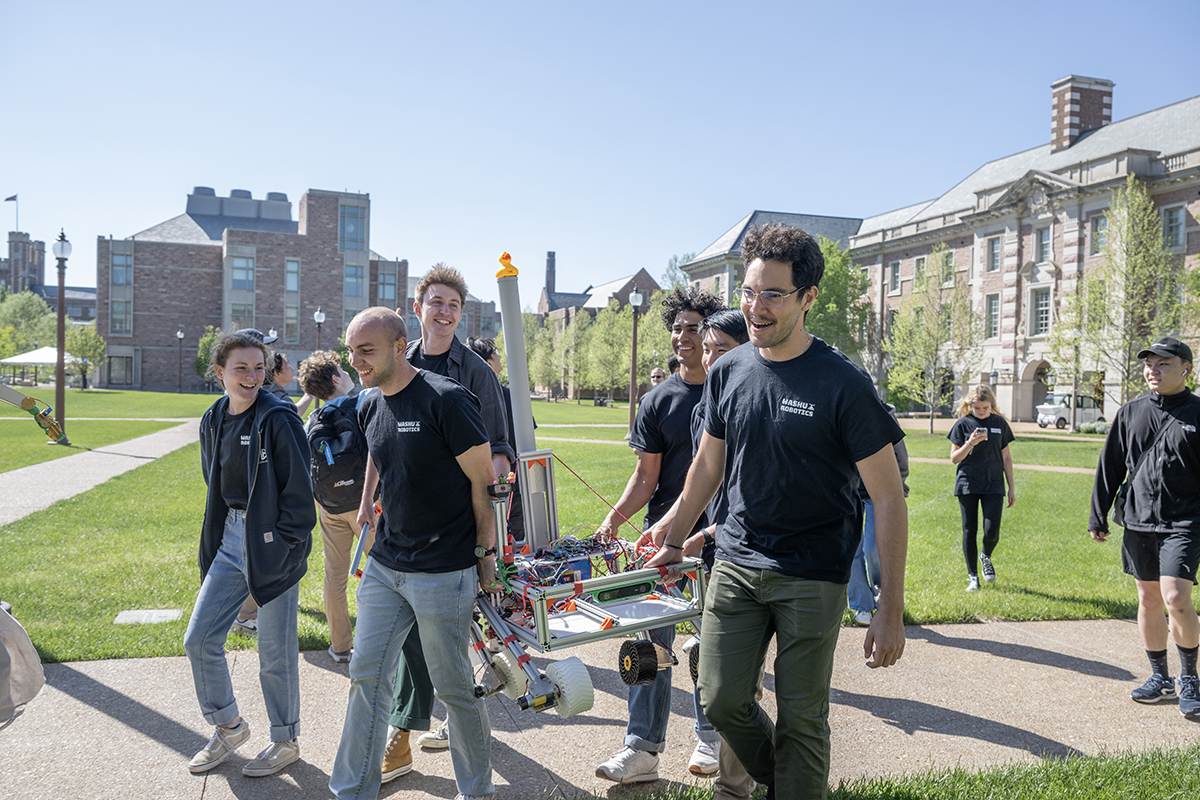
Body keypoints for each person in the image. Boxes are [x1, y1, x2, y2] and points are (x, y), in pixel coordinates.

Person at [648, 222, 908, 800]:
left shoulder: (844, 385)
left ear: (808, 297)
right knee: (720, 698)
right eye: (747, 292)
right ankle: (786, 784)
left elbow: (888, 496)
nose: (755, 307)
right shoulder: (730, 371)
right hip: (737, 560)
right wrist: (673, 535)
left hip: (812, 573)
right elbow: (707, 469)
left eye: (772, 294)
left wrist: (889, 607)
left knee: (802, 717)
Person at [329, 307, 498, 800]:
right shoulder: (367, 403)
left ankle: (477, 792)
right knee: (366, 676)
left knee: (454, 689)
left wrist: (485, 552)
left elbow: (484, 482)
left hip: (443, 571)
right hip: (386, 566)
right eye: (352, 350)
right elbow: (379, 458)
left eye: (367, 350)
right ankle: (351, 790)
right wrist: (365, 502)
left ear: (400, 346)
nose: (356, 360)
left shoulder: (447, 400)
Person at [379, 265, 515, 773]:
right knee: (412, 635)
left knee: (436, 636)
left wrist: (495, 508)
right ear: (417, 309)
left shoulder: (476, 372)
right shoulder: (397, 361)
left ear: (461, 314)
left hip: (457, 524)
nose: (445, 312)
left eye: (454, 305)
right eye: (436, 302)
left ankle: (412, 732)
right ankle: (415, 728)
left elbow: (499, 447)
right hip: (401, 521)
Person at [594, 286, 726, 784]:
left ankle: (710, 738)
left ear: (711, 333)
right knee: (646, 644)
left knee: (707, 646)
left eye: (694, 328)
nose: (683, 337)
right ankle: (641, 747)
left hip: (713, 540)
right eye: (677, 328)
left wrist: (684, 526)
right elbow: (646, 476)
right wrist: (614, 519)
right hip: (660, 546)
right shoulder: (658, 399)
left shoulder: (729, 390)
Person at [184, 330, 315, 777]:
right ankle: (229, 726)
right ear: (219, 371)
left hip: (274, 545)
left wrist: (280, 546)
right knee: (199, 640)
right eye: (241, 368)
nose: (252, 376)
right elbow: (214, 484)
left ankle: (286, 739)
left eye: (259, 367)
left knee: (274, 651)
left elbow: (301, 500)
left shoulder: (279, 419)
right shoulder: (214, 418)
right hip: (230, 541)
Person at [1090, 337, 1200, 717]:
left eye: (1164, 363)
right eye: (1149, 364)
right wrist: (1097, 513)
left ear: (1187, 368)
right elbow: (1111, 465)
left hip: (1185, 521)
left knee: (1175, 598)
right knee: (1149, 598)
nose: (1153, 369)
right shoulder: (1130, 412)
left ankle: (1190, 677)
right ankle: (1160, 678)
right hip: (1138, 520)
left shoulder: (1198, 413)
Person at [296, 350, 372, 664]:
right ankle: (383, 643)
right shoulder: (362, 403)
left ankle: (340, 646)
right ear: (336, 378)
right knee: (388, 573)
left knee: (335, 577)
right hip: (368, 507)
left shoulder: (312, 420)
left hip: (330, 507)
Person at [229, 328, 290, 637]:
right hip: (246, 518)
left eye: (261, 360)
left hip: (273, 518)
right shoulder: (223, 413)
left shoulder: (275, 405)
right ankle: (246, 614)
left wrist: (290, 535)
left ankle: (249, 614)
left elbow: (294, 481)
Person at [947, 384, 1016, 592]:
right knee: (969, 530)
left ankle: (985, 555)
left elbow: (1006, 457)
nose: (981, 412)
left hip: (994, 483)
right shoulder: (962, 424)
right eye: (977, 408)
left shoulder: (1000, 424)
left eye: (985, 408)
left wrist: (1011, 487)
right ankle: (973, 577)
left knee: (992, 531)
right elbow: (953, 458)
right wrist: (970, 443)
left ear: (991, 405)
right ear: (970, 405)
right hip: (968, 482)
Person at [466, 335, 534, 544]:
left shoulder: (464, 396)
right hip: (510, 485)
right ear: (485, 363)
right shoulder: (511, 397)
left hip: (491, 484)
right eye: (494, 352)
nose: (498, 355)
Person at [849, 405, 910, 624]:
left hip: (880, 493)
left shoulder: (885, 413)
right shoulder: (839, 408)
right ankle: (861, 604)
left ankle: (880, 585)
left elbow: (900, 456)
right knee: (851, 551)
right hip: (847, 493)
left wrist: (898, 485)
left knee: (873, 547)